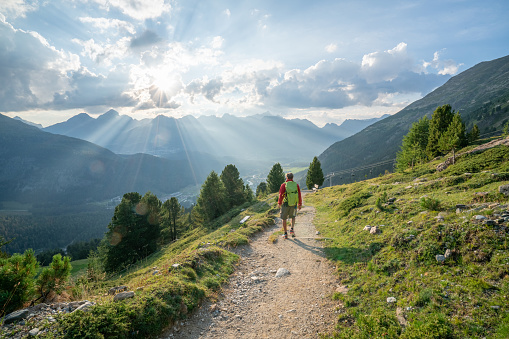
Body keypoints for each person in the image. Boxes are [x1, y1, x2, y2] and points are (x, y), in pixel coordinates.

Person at [278, 172, 302, 239]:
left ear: (287, 177)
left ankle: (285, 233)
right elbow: (299, 195)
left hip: (285, 204)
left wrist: (279, 203)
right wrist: (299, 204)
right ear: (292, 177)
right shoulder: (296, 185)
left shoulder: (283, 185)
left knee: (284, 218)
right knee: (293, 216)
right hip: (294, 203)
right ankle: (292, 229)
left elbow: (281, 195)